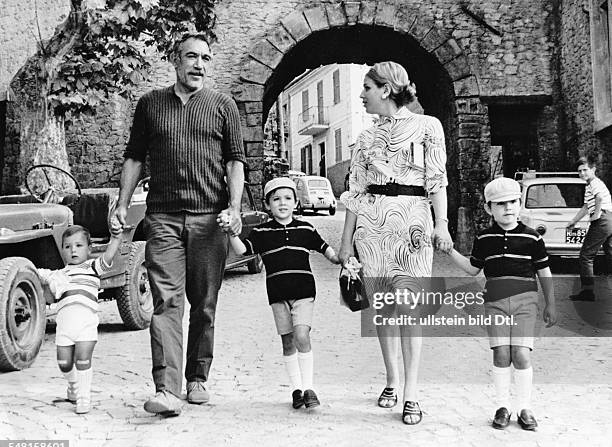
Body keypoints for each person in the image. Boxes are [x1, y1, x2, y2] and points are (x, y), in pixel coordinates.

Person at [111, 32, 246, 417]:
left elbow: (236, 162)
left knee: (204, 303)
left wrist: (234, 209)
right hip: (164, 217)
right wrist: (122, 203)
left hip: (209, 220)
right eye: (191, 56)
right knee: (166, 301)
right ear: (175, 60)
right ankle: (167, 389)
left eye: (205, 57)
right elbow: (135, 158)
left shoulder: (223, 106)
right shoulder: (151, 104)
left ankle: (198, 376)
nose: (198, 64)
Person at [338, 61, 453, 425]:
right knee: (384, 311)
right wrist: (345, 245)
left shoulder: (427, 127)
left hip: (412, 226)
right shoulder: (365, 138)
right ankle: (391, 379)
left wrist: (443, 224)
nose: (361, 95)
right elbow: (355, 192)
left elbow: (437, 180)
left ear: (386, 89)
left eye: (367, 88)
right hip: (372, 231)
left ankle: (412, 394)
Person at [446, 176, 557, 430]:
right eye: (501, 203)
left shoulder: (532, 238)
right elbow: (473, 269)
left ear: (519, 204)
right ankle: (503, 406)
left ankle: (524, 408)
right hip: (495, 303)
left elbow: (544, 273)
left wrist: (551, 304)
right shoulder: (484, 238)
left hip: (525, 303)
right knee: (501, 353)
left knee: (520, 354)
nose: (508, 207)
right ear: (489, 208)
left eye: (513, 202)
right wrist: (449, 251)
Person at [221, 177, 340, 409]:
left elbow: (326, 249)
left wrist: (340, 259)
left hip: (305, 291)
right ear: (267, 205)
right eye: (276, 199)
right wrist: (229, 233)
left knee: (302, 336)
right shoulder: (262, 231)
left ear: (296, 202)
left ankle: (309, 388)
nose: (282, 203)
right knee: (287, 342)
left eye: (287, 198)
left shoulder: (305, 228)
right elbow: (243, 251)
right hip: (277, 294)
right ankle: (296, 390)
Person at [38, 224, 123, 414]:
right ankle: (74, 385)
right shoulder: (58, 275)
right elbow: (50, 298)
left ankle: (84, 398)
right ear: (62, 250)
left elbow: (109, 255)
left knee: (83, 360)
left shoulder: (93, 267)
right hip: (65, 326)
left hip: (86, 324)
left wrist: (116, 238)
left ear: (89, 248)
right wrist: (45, 284)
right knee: (64, 363)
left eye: (78, 245)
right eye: (67, 247)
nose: (73, 250)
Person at [567, 155, 612, 301]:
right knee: (610, 253)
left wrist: (596, 214)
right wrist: (574, 220)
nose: (582, 174)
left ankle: (587, 292)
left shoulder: (594, 183)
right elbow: (586, 206)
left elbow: (598, 198)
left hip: (603, 219)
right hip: (608, 219)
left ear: (593, 169)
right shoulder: (589, 185)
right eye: (580, 171)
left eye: (585, 170)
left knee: (586, 255)